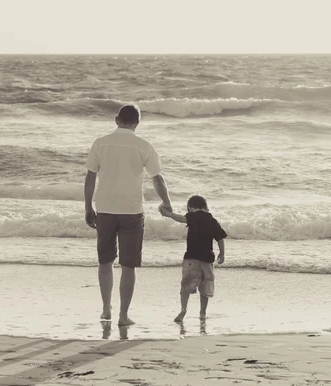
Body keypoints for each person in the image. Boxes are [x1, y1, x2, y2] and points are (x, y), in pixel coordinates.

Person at [84, 104, 172, 326]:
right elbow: (157, 178)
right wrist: (166, 202)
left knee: (105, 261)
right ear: (137, 123)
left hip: (104, 208)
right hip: (132, 211)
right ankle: (123, 315)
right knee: (128, 265)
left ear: (117, 120)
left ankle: (106, 310)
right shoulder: (144, 146)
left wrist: (88, 207)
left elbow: (90, 177)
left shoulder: (100, 143)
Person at [160, 195, 226, 322]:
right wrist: (222, 254)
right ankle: (202, 313)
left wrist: (169, 214)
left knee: (185, 285)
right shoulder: (212, 220)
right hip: (207, 260)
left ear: (190, 208)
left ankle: (183, 308)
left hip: (191, 258)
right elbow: (220, 238)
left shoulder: (192, 216)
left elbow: (180, 218)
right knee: (205, 288)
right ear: (205, 207)